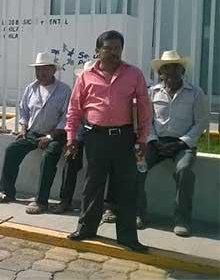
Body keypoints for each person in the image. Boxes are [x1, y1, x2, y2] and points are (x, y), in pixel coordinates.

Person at [65, 30, 151, 252]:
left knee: (126, 188)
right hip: (95, 137)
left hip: (124, 138)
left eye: (117, 48)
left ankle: (128, 237)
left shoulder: (134, 74)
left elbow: (144, 108)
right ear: (97, 51)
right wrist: (71, 137)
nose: (113, 53)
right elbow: (74, 109)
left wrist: (142, 138)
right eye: (108, 48)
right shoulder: (85, 76)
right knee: (93, 185)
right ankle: (86, 229)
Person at [137, 51, 208, 237]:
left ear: (182, 70)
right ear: (160, 73)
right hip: (156, 143)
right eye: (166, 68)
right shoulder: (152, 92)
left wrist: (181, 143)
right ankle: (139, 213)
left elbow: (201, 122)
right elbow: (146, 120)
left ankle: (181, 219)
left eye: (176, 67)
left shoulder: (196, 93)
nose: (171, 72)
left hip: (182, 145)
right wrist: (153, 140)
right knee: (136, 167)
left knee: (184, 170)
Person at [0, 53, 72, 215]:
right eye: (38, 69)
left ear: (53, 70)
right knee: (12, 150)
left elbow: (66, 118)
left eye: (44, 70)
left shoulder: (64, 90)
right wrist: (23, 129)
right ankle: (7, 191)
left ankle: (41, 201)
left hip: (55, 135)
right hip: (33, 133)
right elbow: (24, 111)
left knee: (48, 158)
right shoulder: (31, 88)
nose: (40, 73)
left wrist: (49, 137)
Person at [50, 60, 95, 214]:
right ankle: (65, 200)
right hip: (81, 130)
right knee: (71, 160)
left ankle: (108, 206)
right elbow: (72, 113)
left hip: (100, 131)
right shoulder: (79, 88)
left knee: (105, 165)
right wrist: (71, 138)